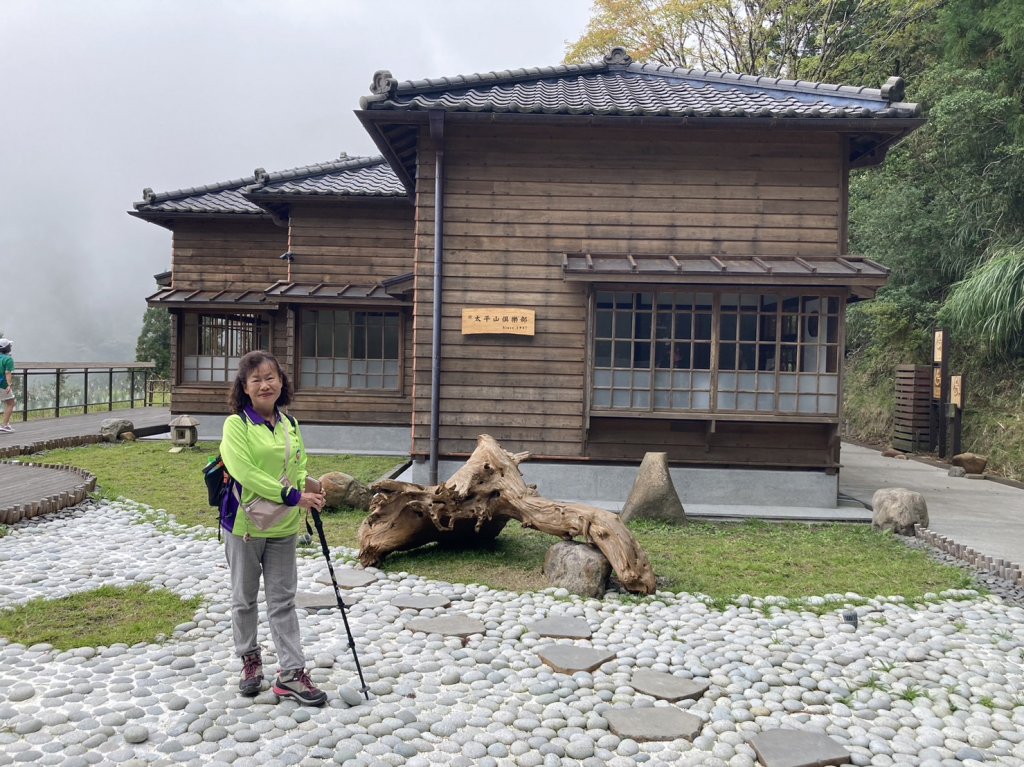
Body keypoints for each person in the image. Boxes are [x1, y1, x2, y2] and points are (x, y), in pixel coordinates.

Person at [219, 350, 328, 705]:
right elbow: (245, 473)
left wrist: (308, 484)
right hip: (244, 525)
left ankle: (292, 674)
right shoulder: (236, 426)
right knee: (244, 598)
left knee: (282, 600)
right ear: (245, 387)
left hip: (282, 526)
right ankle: (250, 660)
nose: (265, 384)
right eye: (256, 379)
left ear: (282, 382)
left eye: (271, 377)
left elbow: (297, 465)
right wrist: (293, 495)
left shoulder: (290, 424)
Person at [0, 338, 14, 433]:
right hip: (2, 384)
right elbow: (8, 373)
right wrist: (9, 384)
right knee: (11, 403)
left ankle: (5, 424)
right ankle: (4, 425)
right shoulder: (8, 359)